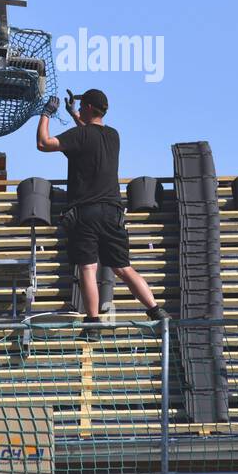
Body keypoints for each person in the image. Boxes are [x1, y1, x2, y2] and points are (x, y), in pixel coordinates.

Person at [36, 89, 167, 332]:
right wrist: (75, 115)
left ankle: (93, 323)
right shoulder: (113, 136)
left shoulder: (80, 135)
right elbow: (89, 135)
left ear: (86, 106)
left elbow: (43, 143)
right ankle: (155, 310)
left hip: (85, 213)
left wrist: (46, 114)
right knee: (123, 267)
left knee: (88, 267)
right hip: (113, 212)